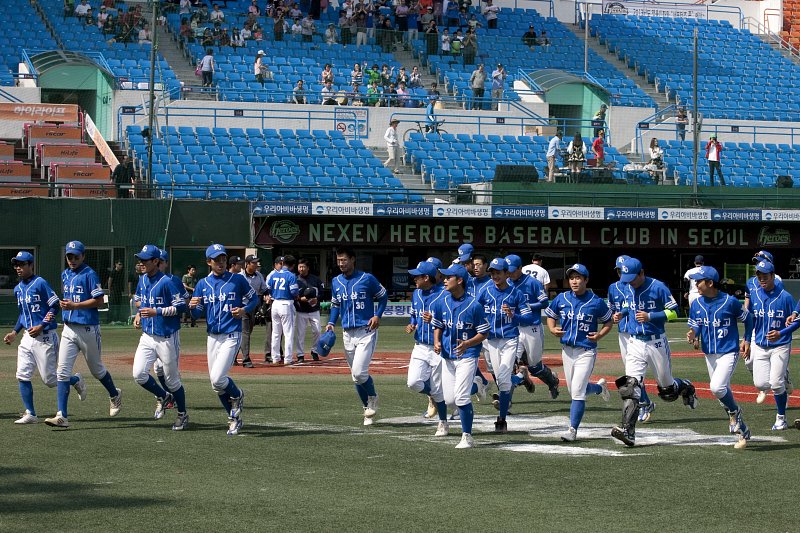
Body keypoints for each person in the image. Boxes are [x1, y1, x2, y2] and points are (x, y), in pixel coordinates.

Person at [611, 257, 698, 447]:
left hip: (656, 342)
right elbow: (627, 305)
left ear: (642, 273)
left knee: (667, 391)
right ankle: (628, 431)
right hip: (634, 342)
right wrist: (622, 314)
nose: (630, 282)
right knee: (630, 386)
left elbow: (675, 312)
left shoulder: (658, 287)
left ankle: (686, 387)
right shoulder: (627, 286)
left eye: (633, 278)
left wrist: (652, 316)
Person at [45, 241, 122, 428]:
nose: (72, 260)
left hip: (88, 329)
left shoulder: (89, 274)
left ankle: (114, 394)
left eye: (76, 256)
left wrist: (75, 306)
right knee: (62, 372)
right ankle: (62, 415)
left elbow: (99, 301)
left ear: (83, 256)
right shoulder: (65, 274)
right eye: (69, 256)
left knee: (97, 371)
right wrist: (67, 306)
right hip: (69, 328)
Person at [4, 251, 82, 424]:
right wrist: (14, 332)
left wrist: (42, 326)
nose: (18, 267)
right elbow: (23, 315)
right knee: (22, 375)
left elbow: (55, 306)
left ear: (31, 265)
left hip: (45, 336)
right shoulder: (18, 289)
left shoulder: (40, 283)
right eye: (16, 264)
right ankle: (30, 414)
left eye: (22, 264)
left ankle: (76, 379)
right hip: (27, 338)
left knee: (50, 380)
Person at [189, 244, 258, 435]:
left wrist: (244, 310)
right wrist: (193, 306)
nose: (220, 262)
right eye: (216, 259)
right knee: (215, 384)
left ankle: (237, 394)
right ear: (208, 262)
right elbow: (196, 314)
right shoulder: (203, 284)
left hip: (231, 334)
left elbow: (254, 300)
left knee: (219, 378)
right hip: (212, 336)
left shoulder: (237, 280)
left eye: (223, 258)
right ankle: (234, 418)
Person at [686, 265, 753, 448]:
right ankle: (743, 430)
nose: (696, 284)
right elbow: (696, 325)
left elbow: (749, 319)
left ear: (710, 282)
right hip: (709, 353)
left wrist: (746, 340)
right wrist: (693, 334)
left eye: (699, 281)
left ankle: (735, 411)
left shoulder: (730, 302)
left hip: (728, 351)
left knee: (717, 387)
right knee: (722, 392)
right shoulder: (697, 303)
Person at [545, 264, 613, 442]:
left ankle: (572, 430)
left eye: (578, 278)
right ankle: (599, 387)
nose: (574, 281)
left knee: (577, 391)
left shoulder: (596, 301)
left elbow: (608, 322)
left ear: (586, 280)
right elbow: (551, 315)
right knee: (574, 389)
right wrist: (552, 329)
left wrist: (599, 335)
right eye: (572, 278)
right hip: (567, 350)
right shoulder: (562, 298)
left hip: (586, 350)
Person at [325, 247, 388, 426]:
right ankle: (366, 409)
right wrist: (331, 322)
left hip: (366, 330)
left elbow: (383, 297)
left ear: (352, 259)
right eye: (338, 261)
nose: (341, 264)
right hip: (347, 332)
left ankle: (373, 397)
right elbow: (335, 305)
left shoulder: (367, 278)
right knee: (355, 376)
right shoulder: (336, 281)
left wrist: (378, 315)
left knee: (360, 373)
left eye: (344, 260)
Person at [431, 263, 490, 449]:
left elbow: (484, 332)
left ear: (460, 280)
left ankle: (467, 436)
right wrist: (436, 341)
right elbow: (438, 325)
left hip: (468, 355)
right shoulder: (442, 302)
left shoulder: (474, 305)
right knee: (449, 400)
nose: (445, 280)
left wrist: (468, 344)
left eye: (449, 277)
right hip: (448, 356)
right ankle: (477, 384)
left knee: (461, 398)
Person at [130, 245, 188, 431]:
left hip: (166, 337)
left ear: (156, 261)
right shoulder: (142, 280)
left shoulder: (167, 282)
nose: (141, 263)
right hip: (147, 336)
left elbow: (181, 306)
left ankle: (182, 414)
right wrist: (140, 313)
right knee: (139, 374)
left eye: (145, 260)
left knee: (172, 380)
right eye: (140, 260)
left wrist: (158, 311)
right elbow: (140, 300)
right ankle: (164, 396)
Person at [477, 258, 533, 433]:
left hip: (509, 339)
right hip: (491, 340)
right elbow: (474, 311)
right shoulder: (486, 292)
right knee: (501, 379)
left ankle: (501, 419)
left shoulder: (515, 294)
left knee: (502, 379)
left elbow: (528, 318)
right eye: (492, 272)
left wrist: (513, 316)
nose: (495, 275)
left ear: (506, 274)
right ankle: (520, 378)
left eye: (498, 272)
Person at [747, 260, 797, 431]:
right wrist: (746, 340)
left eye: (765, 276)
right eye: (759, 276)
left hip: (780, 344)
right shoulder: (755, 295)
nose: (762, 279)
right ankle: (783, 376)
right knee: (761, 384)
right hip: (760, 345)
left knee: (775, 383)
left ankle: (781, 417)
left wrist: (781, 333)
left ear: (773, 276)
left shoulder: (785, 297)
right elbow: (750, 321)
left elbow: (796, 322)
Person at [608, 255, 654, 422]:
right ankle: (645, 403)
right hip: (623, 332)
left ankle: (644, 404)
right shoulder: (613, 287)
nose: (621, 274)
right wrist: (614, 316)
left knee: (635, 376)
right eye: (619, 270)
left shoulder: (639, 286)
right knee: (631, 376)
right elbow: (612, 307)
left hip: (640, 333)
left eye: (623, 270)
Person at [506, 254, 559, 398]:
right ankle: (506, 401)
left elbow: (544, 302)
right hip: (514, 327)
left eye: (512, 270)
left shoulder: (532, 283)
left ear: (520, 268)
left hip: (532, 327)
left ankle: (552, 381)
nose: (510, 273)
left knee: (535, 366)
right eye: (507, 270)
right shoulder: (506, 283)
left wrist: (527, 306)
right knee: (510, 364)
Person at [406, 260, 449, 433]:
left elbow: (450, 321)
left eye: (417, 276)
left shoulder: (444, 295)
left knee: (439, 389)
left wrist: (435, 321)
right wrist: (412, 324)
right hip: (420, 346)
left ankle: (443, 422)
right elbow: (414, 315)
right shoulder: (416, 293)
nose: (414, 279)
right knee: (413, 382)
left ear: (426, 277)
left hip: (438, 348)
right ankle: (434, 397)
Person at [267, 255, 299, 365]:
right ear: (293, 265)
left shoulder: (274, 274)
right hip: (286, 303)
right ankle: (288, 359)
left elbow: (269, 289)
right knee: (288, 333)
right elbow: (294, 292)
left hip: (275, 303)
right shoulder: (291, 275)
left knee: (276, 333)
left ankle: (275, 358)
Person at [239, 254, 267, 368]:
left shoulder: (259, 275)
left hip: (253, 307)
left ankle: (234, 354)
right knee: (245, 333)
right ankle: (246, 359)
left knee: (247, 332)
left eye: (256, 262)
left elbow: (264, 289)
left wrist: (267, 295)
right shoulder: (240, 276)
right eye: (253, 262)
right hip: (242, 307)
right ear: (247, 264)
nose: (256, 265)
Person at [295, 258, 324, 362]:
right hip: (301, 310)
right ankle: (300, 355)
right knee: (300, 333)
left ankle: (315, 351)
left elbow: (322, 292)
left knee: (317, 331)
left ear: (308, 268)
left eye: (303, 267)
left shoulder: (315, 279)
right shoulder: (295, 279)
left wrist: (317, 299)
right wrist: (299, 299)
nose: (301, 269)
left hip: (314, 310)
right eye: (300, 267)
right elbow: (292, 294)